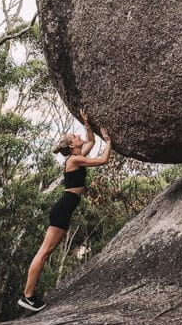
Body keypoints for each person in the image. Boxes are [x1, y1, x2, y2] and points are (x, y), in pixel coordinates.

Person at [18, 109, 112, 313]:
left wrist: (88, 123)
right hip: (62, 208)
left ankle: (29, 295)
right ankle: (27, 296)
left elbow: (91, 142)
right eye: (74, 136)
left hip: (65, 208)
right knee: (45, 252)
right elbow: (103, 160)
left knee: (46, 251)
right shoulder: (74, 160)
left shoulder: (76, 156)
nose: (78, 136)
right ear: (71, 145)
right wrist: (109, 141)